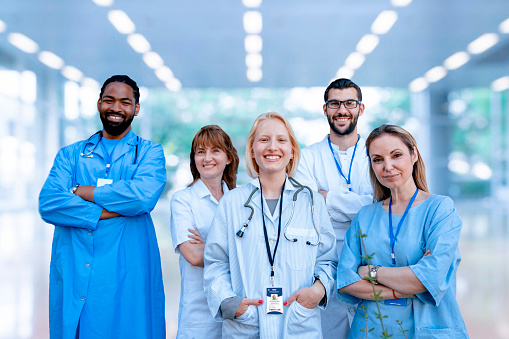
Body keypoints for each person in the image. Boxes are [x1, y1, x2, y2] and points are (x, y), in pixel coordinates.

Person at [39, 75, 167, 338]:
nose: (116, 108)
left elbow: (142, 197)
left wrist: (82, 191)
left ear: (136, 108)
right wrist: (107, 211)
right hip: (77, 263)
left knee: (130, 325)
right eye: (109, 100)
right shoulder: (70, 154)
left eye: (125, 102)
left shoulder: (149, 153)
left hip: (126, 266)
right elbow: (49, 202)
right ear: (99, 104)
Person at [203, 112, 337, 338]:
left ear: (292, 151)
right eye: (264, 140)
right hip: (245, 324)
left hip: (298, 324)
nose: (272, 147)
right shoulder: (232, 202)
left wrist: (318, 290)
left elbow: (328, 260)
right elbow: (216, 262)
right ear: (253, 150)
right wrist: (229, 302)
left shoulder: (312, 201)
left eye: (281, 140)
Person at [337, 124, 469, 338]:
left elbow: (430, 278)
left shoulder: (440, 209)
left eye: (396, 155)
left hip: (428, 330)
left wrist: (371, 272)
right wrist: (409, 287)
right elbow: (346, 282)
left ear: (413, 154)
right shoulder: (365, 216)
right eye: (377, 159)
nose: (387, 166)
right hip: (371, 331)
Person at [294, 78, 373, 338]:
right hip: (323, 269)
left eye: (350, 103)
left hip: (370, 265)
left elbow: (380, 206)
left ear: (360, 109)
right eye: (334, 103)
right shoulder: (308, 156)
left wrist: (327, 198)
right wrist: (360, 204)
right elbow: (307, 205)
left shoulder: (375, 153)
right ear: (325, 109)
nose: (342, 110)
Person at [170, 125, 239, 338]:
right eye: (201, 152)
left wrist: (208, 245)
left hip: (236, 308)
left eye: (215, 150)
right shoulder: (183, 200)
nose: (207, 158)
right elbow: (192, 255)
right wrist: (237, 247)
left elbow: (257, 249)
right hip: (198, 315)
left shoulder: (240, 201)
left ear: (228, 158)